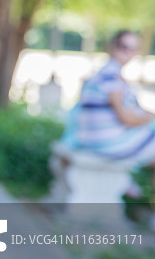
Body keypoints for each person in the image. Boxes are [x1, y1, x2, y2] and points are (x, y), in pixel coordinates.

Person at [63, 30, 155, 195]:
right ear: (111, 47)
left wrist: (147, 116)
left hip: (94, 138)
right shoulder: (111, 75)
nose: (127, 52)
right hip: (105, 142)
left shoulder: (108, 73)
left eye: (133, 48)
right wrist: (150, 118)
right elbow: (126, 118)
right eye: (123, 46)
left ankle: (130, 183)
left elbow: (133, 110)